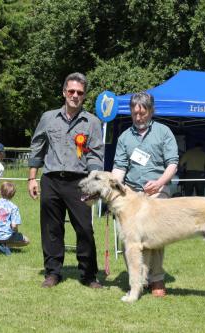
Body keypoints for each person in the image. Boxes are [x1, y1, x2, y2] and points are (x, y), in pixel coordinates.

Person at [28, 72, 104, 289]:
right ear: (64, 92)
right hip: (51, 180)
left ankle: (89, 275)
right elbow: (37, 147)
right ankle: (53, 272)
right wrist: (32, 178)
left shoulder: (92, 122)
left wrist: (95, 183)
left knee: (85, 229)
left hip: (79, 183)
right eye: (71, 91)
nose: (75, 95)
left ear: (84, 96)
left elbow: (95, 155)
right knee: (52, 229)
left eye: (79, 93)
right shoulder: (48, 118)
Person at [111, 91, 178, 297]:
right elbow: (119, 168)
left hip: (158, 192)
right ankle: (137, 280)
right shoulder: (124, 137)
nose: (138, 117)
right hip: (131, 193)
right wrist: (112, 189)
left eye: (143, 113)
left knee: (154, 238)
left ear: (151, 111)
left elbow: (172, 164)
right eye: (134, 113)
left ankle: (156, 279)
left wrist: (159, 183)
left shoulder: (163, 132)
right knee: (128, 239)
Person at [0, 182, 30, 255]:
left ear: (0, 192)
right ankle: (3, 245)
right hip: (6, 235)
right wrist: (15, 233)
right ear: (13, 194)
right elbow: (14, 226)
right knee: (27, 240)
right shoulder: (13, 207)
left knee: (1, 238)